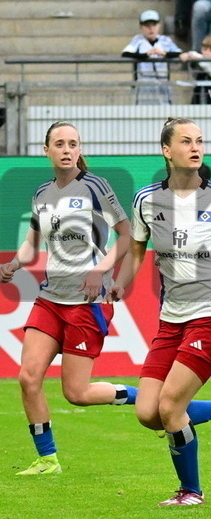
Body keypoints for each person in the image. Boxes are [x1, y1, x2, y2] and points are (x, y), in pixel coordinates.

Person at [109, 117, 211, 505]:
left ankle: (191, 491)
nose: (195, 147)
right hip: (171, 319)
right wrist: (120, 282)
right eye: (186, 141)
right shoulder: (146, 200)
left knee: (170, 407)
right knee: (148, 413)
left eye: (199, 141)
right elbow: (136, 254)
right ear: (167, 151)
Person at [1, 123, 133, 476]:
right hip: (50, 298)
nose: (66, 149)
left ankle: (146, 397)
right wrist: (15, 263)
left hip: (87, 302)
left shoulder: (95, 186)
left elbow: (127, 235)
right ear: (46, 150)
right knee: (28, 378)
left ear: (79, 149)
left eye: (72, 144)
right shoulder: (41, 193)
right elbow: (32, 243)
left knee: (76, 393)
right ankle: (47, 459)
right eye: (59, 144)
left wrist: (99, 271)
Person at [122, 9, 189, 105]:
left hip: (162, 82)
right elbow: (126, 53)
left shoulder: (165, 40)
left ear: (159, 26)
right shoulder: (138, 40)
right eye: (147, 26)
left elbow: (178, 53)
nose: (151, 29)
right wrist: (146, 55)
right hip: (144, 83)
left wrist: (164, 53)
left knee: (165, 110)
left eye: (154, 25)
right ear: (141, 27)